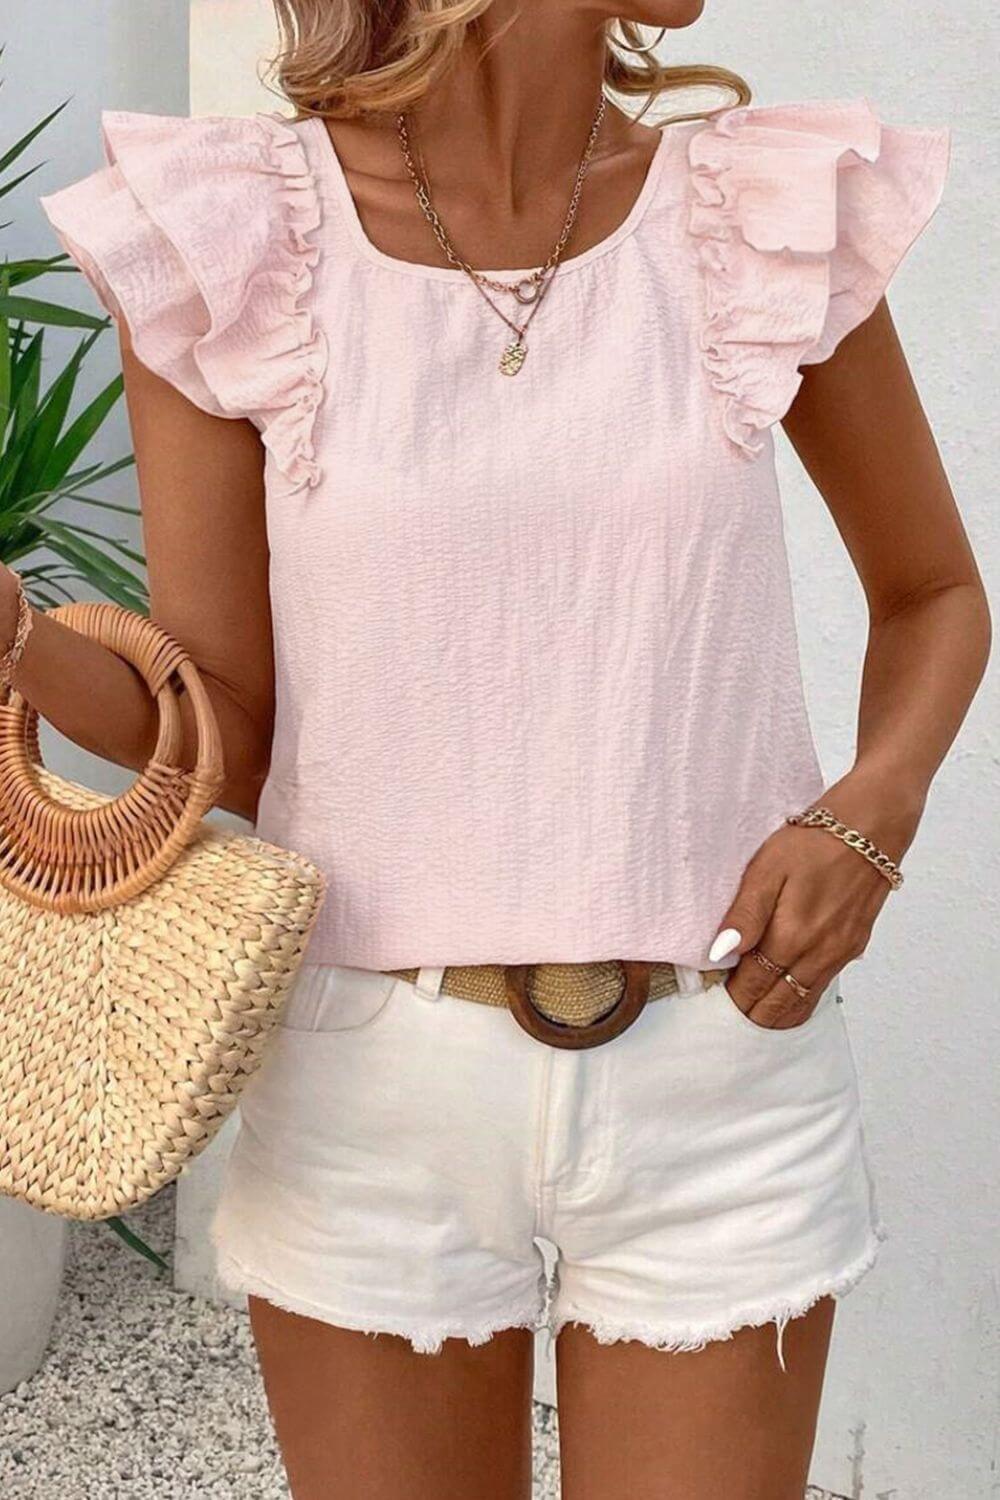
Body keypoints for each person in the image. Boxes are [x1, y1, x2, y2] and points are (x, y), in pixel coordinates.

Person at [14, 2, 988, 1496]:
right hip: (363, 1085)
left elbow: (931, 596)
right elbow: (219, 716)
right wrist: (18, 649)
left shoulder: (760, 216)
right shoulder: (240, 240)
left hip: (723, 1068)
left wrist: (874, 812)